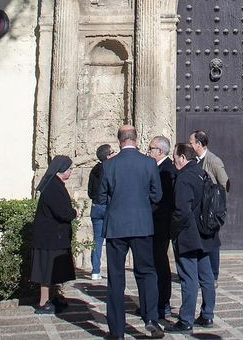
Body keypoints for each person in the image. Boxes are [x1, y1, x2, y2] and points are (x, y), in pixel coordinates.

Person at [100, 125, 165, 340]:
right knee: (146, 272)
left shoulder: (109, 165)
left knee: (116, 279)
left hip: (116, 227)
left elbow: (101, 197)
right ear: (136, 139)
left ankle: (117, 331)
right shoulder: (148, 163)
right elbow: (157, 195)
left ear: (119, 141)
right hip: (142, 225)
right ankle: (151, 319)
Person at [166, 143, 218, 331]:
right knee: (206, 276)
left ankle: (186, 320)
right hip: (204, 233)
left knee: (189, 278)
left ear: (183, 157)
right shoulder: (200, 172)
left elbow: (182, 210)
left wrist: (173, 231)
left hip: (188, 234)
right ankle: (207, 315)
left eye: (175, 157)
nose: (173, 161)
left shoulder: (184, 178)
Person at [32, 155, 78, 313]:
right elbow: (62, 212)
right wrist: (74, 212)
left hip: (53, 236)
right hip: (49, 237)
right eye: (70, 169)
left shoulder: (55, 184)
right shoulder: (53, 186)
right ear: (63, 170)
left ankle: (51, 298)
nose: (71, 172)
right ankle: (43, 302)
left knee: (53, 270)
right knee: (46, 270)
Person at [188, 132, 228, 277]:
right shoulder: (193, 160)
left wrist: (217, 205)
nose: (190, 145)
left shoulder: (214, 160)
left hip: (210, 210)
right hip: (198, 210)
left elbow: (224, 183)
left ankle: (213, 274)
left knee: (212, 243)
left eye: (191, 142)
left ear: (199, 144)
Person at [149, 135, 176, 321]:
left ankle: (162, 304)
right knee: (155, 264)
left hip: (160, 225)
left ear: (159, 151)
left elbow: (161, 201)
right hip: (156, 225)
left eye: (150, 148)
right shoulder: (160, 168)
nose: (147, 151)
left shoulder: (166, 170)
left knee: (160, 265)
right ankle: (156, 302)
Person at [88, 144, 114, 280]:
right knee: (112, 240)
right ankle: (112, 270)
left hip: (96, 206)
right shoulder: (111, 168)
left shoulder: (94, 170)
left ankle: (95, 270)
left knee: (97, 240)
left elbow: (90, 191)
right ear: (108, 156)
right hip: (108, 206)